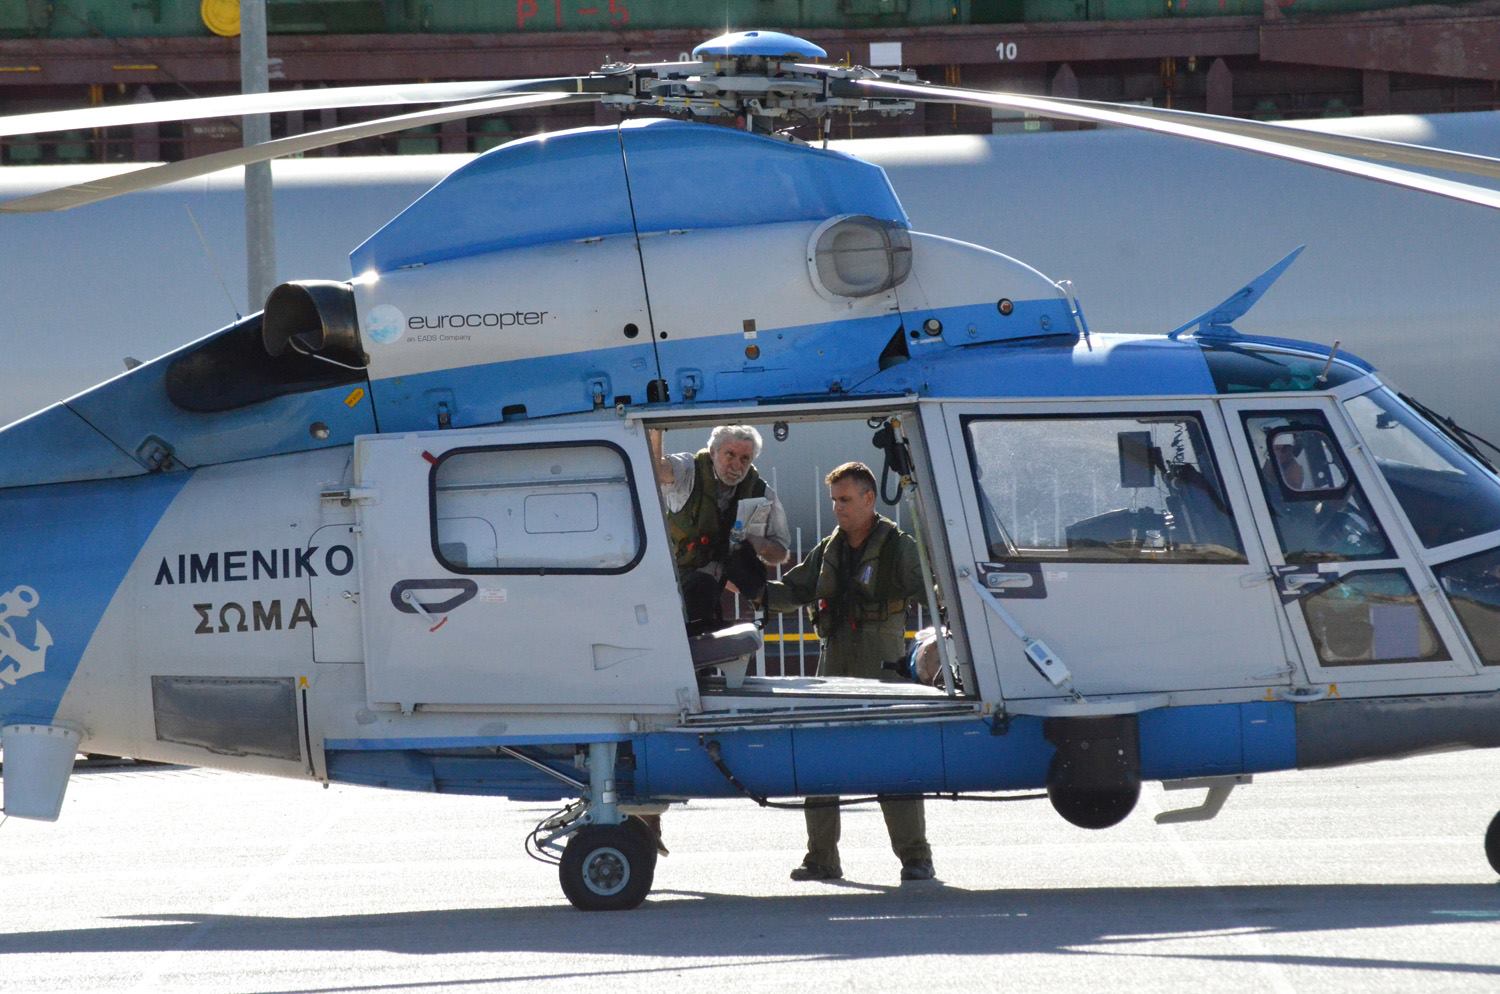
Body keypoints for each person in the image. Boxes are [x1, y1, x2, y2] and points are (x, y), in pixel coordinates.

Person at [763, 461, 935, 883]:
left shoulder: (898, 547)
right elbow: (793, 591)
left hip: (882, 665)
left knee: (892, 760)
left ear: (869, 498)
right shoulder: (829, 549)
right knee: (820, 759)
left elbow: (932, 592)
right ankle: (822, 857)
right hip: (834, 660)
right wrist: (751, 589)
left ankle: (916, 857)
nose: (838, 508)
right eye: (834, 500)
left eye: (845, 499)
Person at [648, 425, 790, 633]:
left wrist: (757, 543)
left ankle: (756, 610)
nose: (737, 465)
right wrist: (656, 429)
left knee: (740, 559)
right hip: (677, 575)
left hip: (723, 577)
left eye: (745, 459)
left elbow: (781, 552)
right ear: (713, 452)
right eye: (730, 455)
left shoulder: (761, 492)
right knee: (700, 587)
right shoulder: (689, 470)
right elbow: (656, 472)